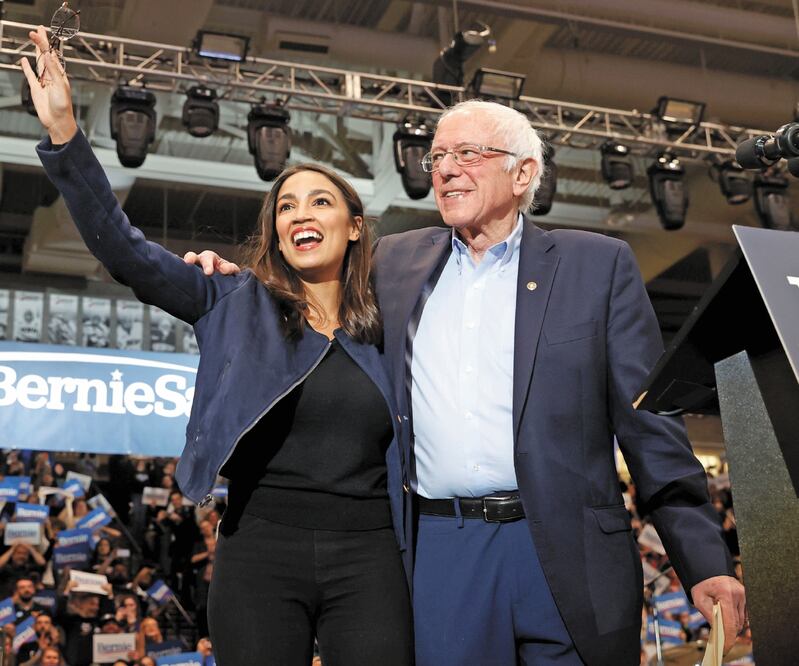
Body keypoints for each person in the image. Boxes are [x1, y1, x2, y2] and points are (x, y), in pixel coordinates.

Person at [189, 99, 746, 665]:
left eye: (469, 153)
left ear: (524, 172)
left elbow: (651, 428)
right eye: (437, 156)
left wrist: (704, 562)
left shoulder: (597, 266)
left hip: (566, 550)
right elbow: (317, 287)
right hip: (444, 552)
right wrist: (242, 285)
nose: (445, 169)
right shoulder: (393, 263)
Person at [21, 25, 411, 666]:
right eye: (286, 207)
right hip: (259, 551)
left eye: (320, 200)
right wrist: (65, 133)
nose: (301, 214)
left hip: (372, 557)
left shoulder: (395, 326)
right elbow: (127, 253)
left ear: (356, 226)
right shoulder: (231, 301)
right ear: (277, 231)